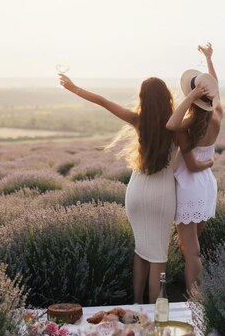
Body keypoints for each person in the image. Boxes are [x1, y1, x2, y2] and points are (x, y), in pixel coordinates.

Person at [58, 73, 176, 304]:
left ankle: (138, 304)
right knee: (159, 257)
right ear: (166, 98)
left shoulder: (138, 120)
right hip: (161, 194)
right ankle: (155, 314)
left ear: (143, 98)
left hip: (136, 191)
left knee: (141, 249)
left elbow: (102, 101)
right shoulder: (176, 125)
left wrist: (74, 88)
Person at [165, 42, 223, 294]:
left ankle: (193, 301)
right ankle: (194, 292)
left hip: (190, 186)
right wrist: (209, 60)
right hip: (207, 184)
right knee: (190, 246)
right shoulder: (217, 116)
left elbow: (170, 124)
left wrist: (190, 96)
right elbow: (218, 92)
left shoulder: (186, 128)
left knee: (191, 251)